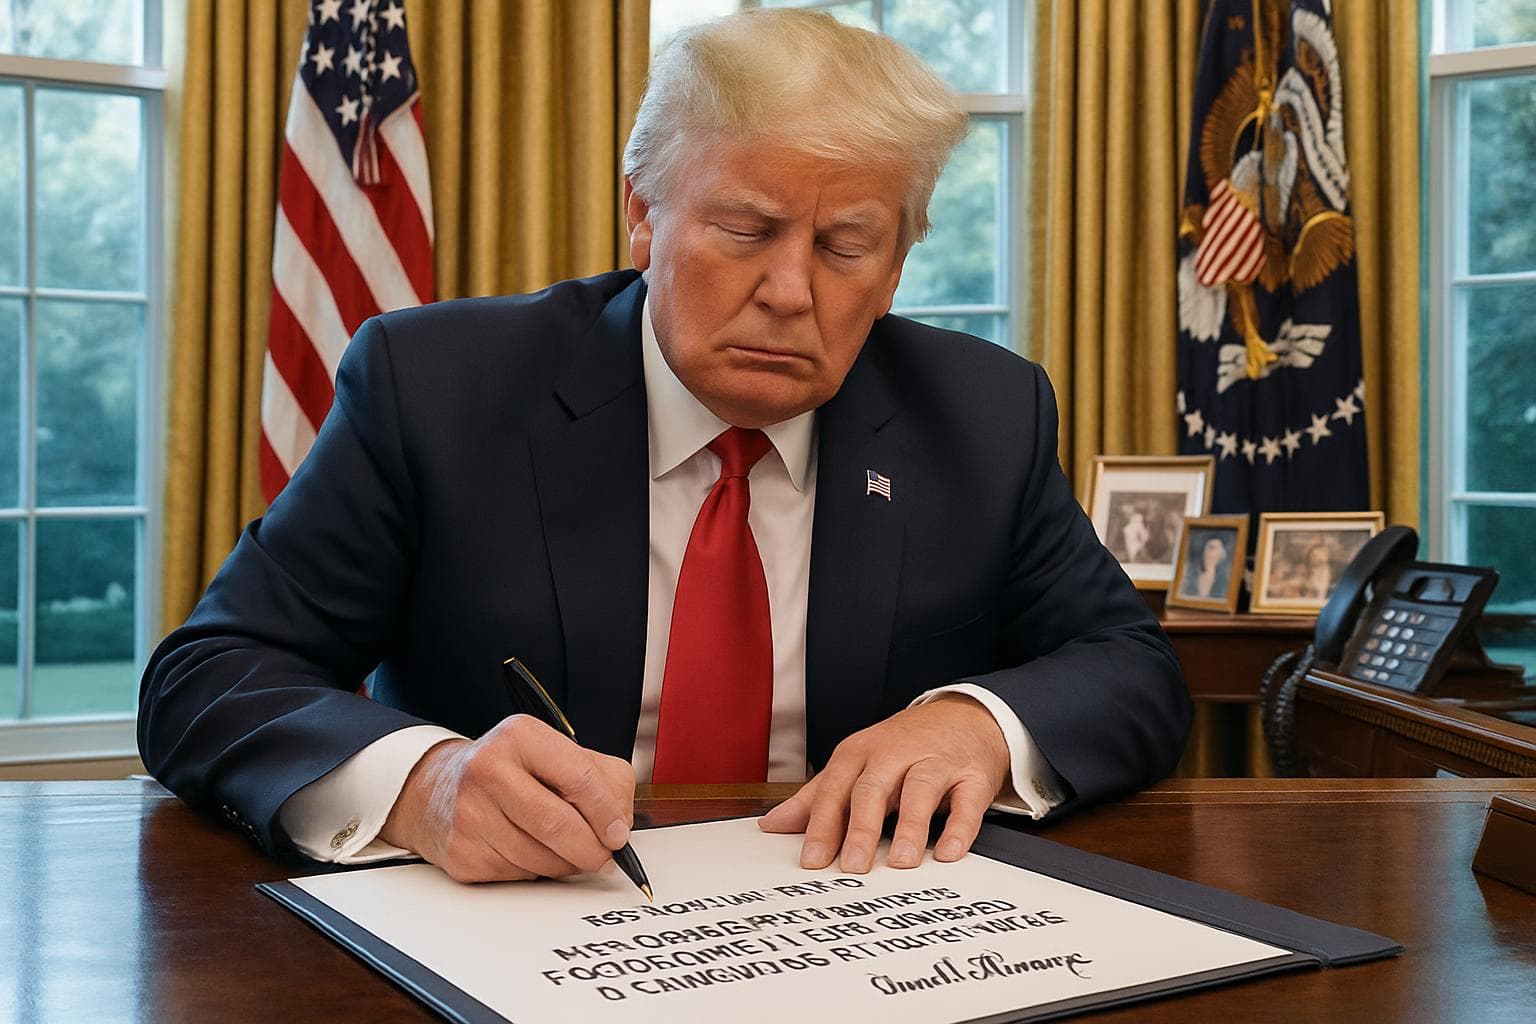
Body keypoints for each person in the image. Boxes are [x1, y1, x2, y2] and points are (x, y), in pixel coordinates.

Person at [138, 9, 1189, 885]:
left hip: (863, 931)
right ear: (643, 217)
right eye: (745, 229)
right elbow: (209, 675)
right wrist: (425, 784)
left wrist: (976, 725)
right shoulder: (438, 387)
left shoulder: (984, 412)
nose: (790, 291)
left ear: (900, 261)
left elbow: (1129, 667)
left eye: (845, 246)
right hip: (520, 930)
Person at [1187, 534, 1231, 599]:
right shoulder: (1191, 576)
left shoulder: (1225, 581)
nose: (1207, 551)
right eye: (1210, 547)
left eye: (1212, 548)